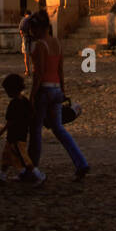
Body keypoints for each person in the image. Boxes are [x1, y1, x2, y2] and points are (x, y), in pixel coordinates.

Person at [27, 10, 90, 180]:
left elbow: (38, 74)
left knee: (35, 130)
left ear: (41, 28)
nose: (32, 32)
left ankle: (32, 169)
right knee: (59, 129)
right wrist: (63, 91)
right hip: (56, 90)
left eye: (34, 28)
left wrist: (32, 95)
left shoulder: (40, 45)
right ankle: (81, 162)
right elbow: (60, 70)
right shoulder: (57, 43)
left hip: (44, 91)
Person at [0, 73, 44, 185]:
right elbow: (31, 115)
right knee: (6, 157)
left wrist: (0, 132)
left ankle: (38, 175)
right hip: (21, 135)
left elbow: (10, 121)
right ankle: (2, 176)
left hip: (15, 137)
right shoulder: (25, 101)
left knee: (24, 159)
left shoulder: (13, 104)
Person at [18, 5, 34, 74]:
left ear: (25, 14)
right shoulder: (33, 19)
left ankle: (27, 70)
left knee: (26, 55)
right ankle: (35, 69)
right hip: (33, 38)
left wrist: (22, 36)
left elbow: (21, 31)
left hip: (25, 38)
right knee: (33, 55)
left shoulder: (23, 20)